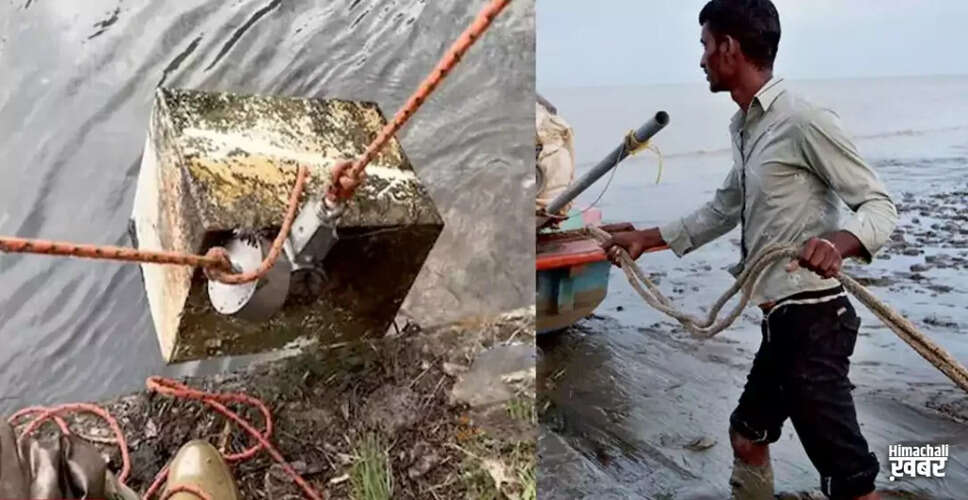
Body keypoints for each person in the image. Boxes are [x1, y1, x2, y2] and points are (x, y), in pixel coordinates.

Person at [601, 1, 897, 498]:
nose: (700, 59)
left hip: (815, 322)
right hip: (781, 323)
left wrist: (838, 244)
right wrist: (645, 240)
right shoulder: (745, 129)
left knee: (851, 483)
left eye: (704, 45)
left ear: (729, 49)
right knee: (746, 437)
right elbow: (722, 209)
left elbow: (879, 205)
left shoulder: (802, 120)